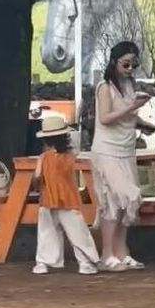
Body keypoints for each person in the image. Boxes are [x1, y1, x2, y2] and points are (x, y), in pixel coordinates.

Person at [90, 41, 151, 272]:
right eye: (126, 64)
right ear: (114, 62)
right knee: (114, 199)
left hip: (126, 150)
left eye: (134, 65)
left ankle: (122, 252)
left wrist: (143, 125)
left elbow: (126, 117)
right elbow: (105, 118)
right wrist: (132, 106)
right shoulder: (105, 87)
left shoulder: (129, 85)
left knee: (126, 204)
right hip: (107, 150)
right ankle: (106, 254)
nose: (130, 69)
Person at [33, 115, 100, 275]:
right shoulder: (71, 155)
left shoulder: (43, 158)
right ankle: (85, 262)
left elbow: (37, 177)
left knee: (47, 232)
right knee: (78, 231)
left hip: (48, 199)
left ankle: (43, 262)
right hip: (69, 198)